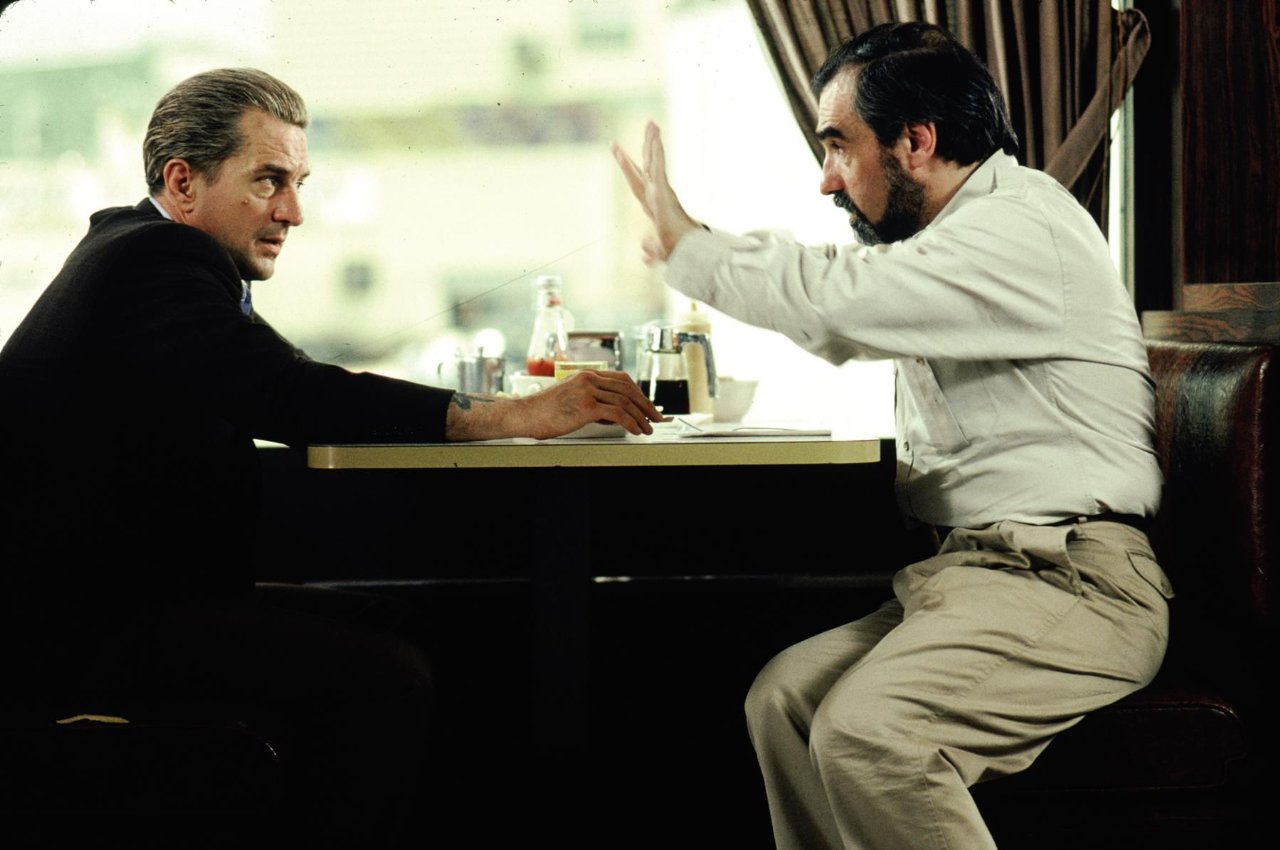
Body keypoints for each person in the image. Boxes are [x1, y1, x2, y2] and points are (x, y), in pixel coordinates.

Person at [0, 67, 661, 847]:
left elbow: (282, 380)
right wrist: (517, 414)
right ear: (182, 183)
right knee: (387, 677)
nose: (294, 211)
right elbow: (291, 393)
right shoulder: (155, 260)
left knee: (418, 627)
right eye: (269, 181)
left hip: (119, 608)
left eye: (298, 183)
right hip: (85, 636)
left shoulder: (145, 253)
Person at [614, 21, 1174, 850]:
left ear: (917, 141)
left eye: (838, 146)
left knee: (871, 734)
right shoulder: (952, 242)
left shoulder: (1022, 224)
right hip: (978, 574)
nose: (826, 180)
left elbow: (842, 298)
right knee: (783, 700)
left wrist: (691, 250)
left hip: (1077, 584)